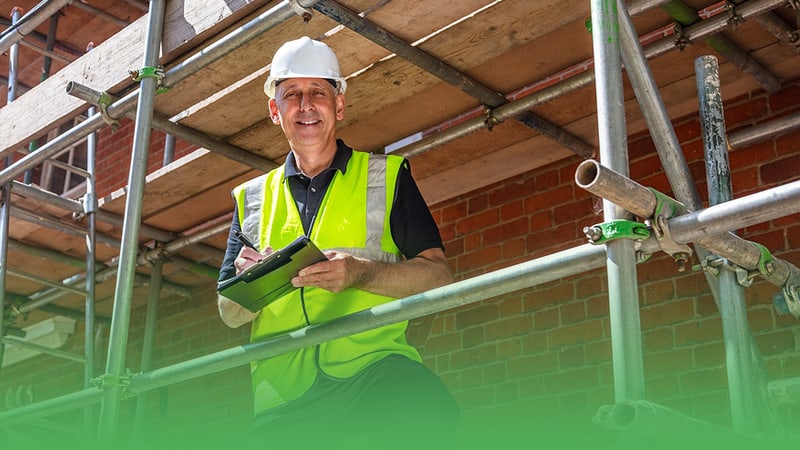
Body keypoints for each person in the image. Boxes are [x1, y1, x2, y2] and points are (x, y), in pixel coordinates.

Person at [217, 36, 459, 447]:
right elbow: (228, 312)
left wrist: (361, 273)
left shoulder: (387, 176)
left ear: (339, 106)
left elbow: (439, 279)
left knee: (426, 408)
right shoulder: (251, 198)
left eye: (318, 93)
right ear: (275, 111)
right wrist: (257, 280)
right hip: (283, 396)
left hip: (375, 371)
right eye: (292, 94)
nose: (306, 105)